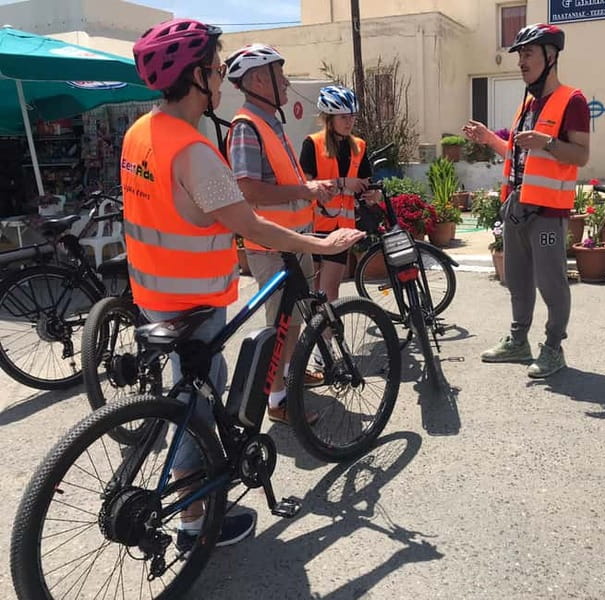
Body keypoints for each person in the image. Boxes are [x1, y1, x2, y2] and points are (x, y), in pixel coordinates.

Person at [124, 19, 364, 551]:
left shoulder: (140, 132)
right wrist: (322, 247)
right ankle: (193, 526)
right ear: (195, 78)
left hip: (152, 294)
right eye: (214, 68)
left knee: (193, 395)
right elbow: (249, 223)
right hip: (192, 299)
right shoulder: (194, 150)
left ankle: (199, 490)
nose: (219, 77)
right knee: (197, 410)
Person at [225, 44, 346, 425]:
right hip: (272, 246)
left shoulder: (270, 121)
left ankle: (288, 379)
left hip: (293, 241)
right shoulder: (247, 126)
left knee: (294, 321)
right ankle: (276, 400)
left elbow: (282, 180)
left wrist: (310, 188)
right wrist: (303, 191)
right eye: (280, 74)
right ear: (259, 79)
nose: (287, 80)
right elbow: (248, 189)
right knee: (281, 325)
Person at [462, 23, 590, 378]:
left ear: (550, 56)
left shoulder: (572, 100)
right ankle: (519, 342)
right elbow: (519, 157)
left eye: (528, 53)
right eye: (519, 54)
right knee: (517, 280)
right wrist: (490, 139)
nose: (521, 60)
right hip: (518, 206)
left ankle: (553, 348)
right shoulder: (529, 105)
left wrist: (547, 143)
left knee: (551, 283)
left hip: (549, 211)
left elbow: (580, 155)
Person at [299, 85, 375, 306]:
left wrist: (373, 194)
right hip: (313, 226)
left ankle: (328, 337)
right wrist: (342, 183)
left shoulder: (359, 146)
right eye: (343, 117)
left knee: (331, 288)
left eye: (352, 117)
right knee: (312, 289)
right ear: (329, 118)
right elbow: (304, 185)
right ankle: (314, 334)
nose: (349, 122)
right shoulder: (312, 143)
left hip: (343, 227)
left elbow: (365, 182)